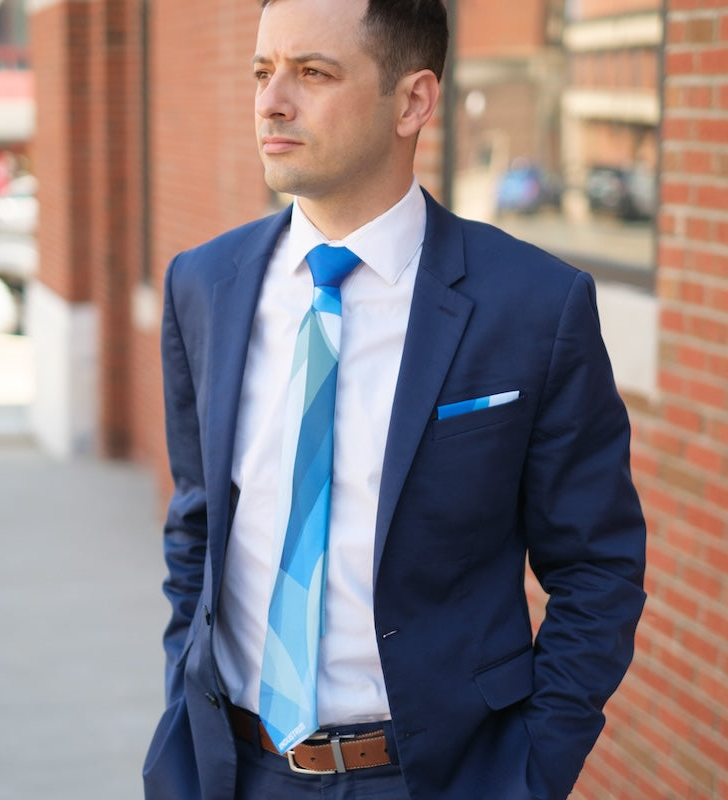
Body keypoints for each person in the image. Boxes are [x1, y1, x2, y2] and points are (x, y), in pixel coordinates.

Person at [143, 0, 647, 798]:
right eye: (263, 71)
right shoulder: (206, 284)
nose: (272, 101)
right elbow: (197, 527)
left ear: (413, 101)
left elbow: (598, 569)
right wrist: (180, 705)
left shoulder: (532, 306)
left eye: (313, 73)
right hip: (226, 768)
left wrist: (527, 773)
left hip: (429, 778)